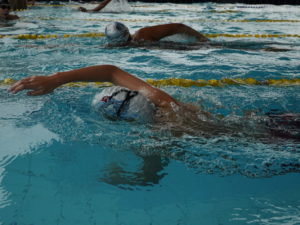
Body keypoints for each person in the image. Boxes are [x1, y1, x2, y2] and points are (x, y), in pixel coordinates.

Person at [8, 64, 299, 141]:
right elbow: (110, 72)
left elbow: (150, 175)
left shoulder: (165, 131)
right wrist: (58, 78)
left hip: (275, 137)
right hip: (272, 122)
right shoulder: (164, 103)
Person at [105, 22, 209, 45]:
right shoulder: (130, 45)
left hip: (188, 48)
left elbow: (178, 27)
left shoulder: (142, 34)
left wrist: (202, 38)